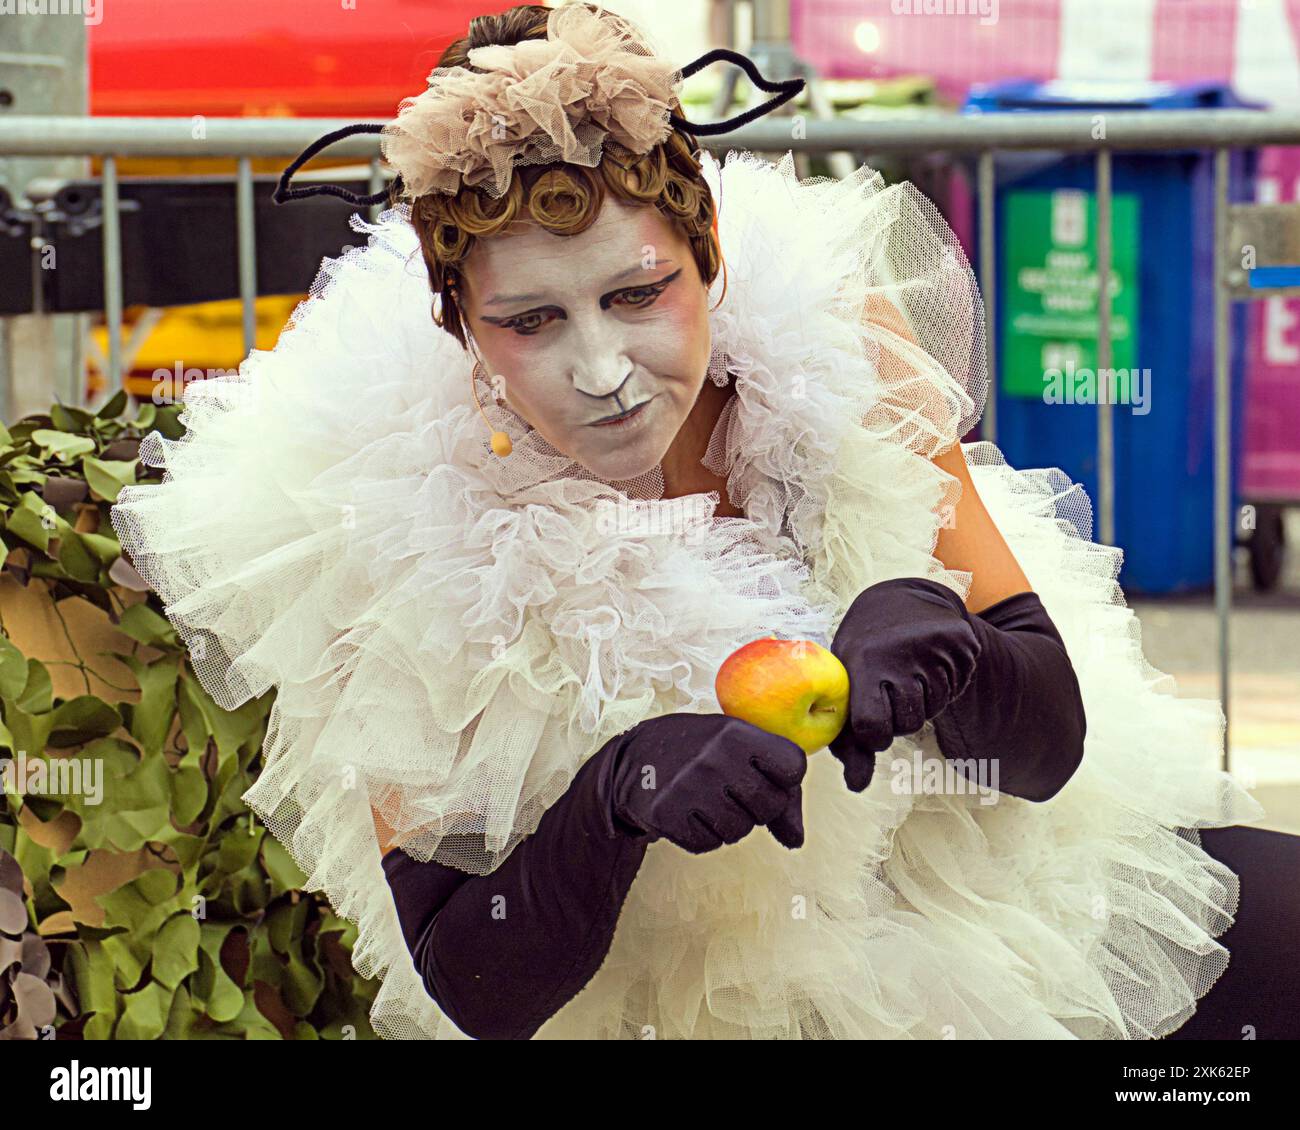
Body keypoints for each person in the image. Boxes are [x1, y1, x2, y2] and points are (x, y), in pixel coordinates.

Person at [110, 2, 1297, 1041]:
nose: (604, 370)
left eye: (638, 294)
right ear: (462, 329)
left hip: (961, 896)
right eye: (530, 321)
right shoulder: (380, 501)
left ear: (709, 252)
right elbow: (477, 982)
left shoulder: (840, 342)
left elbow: (1044, 751)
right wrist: (610, 800)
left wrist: (952, 649)